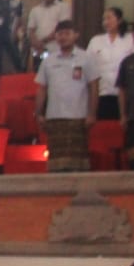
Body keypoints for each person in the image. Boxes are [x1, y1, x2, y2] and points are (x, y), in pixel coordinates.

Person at [36, 20, 97, 172]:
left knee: (78, 163)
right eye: (59, 34)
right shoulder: (48, 61)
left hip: (79, 116)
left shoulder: (86, 58)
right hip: (54, 117)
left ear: (76, 35)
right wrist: (38, 113)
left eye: (67, 33)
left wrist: (92, 113)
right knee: (56, 164)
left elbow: (94, 87)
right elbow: (42, 88)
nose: (63, 37)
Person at [88, 8, 132, 120]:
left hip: (125, 94)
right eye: (104, 19)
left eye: (109, 18)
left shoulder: (130, 40)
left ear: (119, 20)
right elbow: (88, 65)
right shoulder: (96, 41)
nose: (106, 22)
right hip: (102, 93)